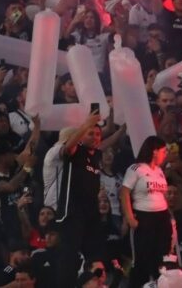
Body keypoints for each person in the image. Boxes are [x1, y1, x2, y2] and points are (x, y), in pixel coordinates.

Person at [54, 111, 104, 288]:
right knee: (69, 255)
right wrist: (85, 125)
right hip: (72, 211)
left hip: (91, 213)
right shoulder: (77, 151)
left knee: (93, 255)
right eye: (91, 133)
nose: (95, 137)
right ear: (82, 136)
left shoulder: (97, 156)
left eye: (98, 134)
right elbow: (67, 147)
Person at [120, 135, 174, 287]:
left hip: (161, 217)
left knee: (162, 258)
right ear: (154, 151)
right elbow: (124, 192)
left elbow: (162, 195)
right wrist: (130, 217)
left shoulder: (159, 171)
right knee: (142, 258)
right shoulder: (136, 169)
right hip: (144, 216)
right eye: (163, 151)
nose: (165, 155)